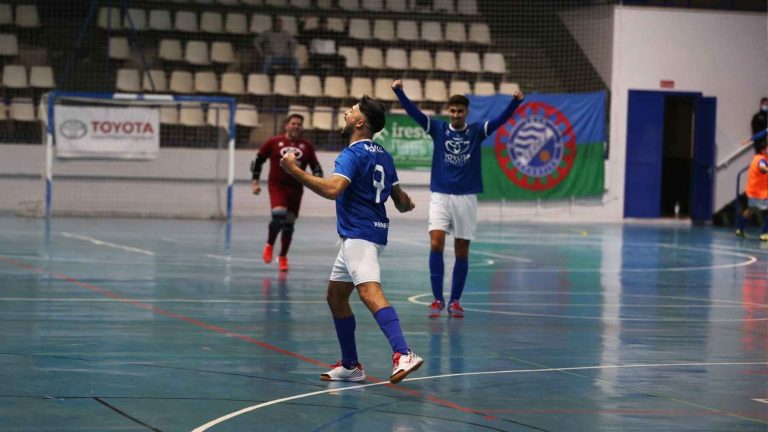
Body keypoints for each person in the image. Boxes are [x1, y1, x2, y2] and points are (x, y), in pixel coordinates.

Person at [279, 95, 424, 384]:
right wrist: (409, 204)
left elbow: (333, 189)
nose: (346, 112)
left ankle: (403, 353)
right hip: (365, 233)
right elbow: (400, 199)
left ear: (359, 122)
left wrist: (294, 170)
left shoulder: (352, 154)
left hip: (360, 233)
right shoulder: (382, 154)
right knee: (336, 296)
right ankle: (350, 365)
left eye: (352, 110)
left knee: (369, 292)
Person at [392, 79, 524, 318]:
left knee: (461, 251)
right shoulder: (438, 129)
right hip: (440, 195)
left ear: (466, 112)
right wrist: (399, 93)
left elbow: (501, 121)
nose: (455, 114)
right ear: (448, 111)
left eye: (459, 111)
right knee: (435, 244)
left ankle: (454, 301)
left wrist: (515, 103)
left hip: (466, 199)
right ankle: (436, 299)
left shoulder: (476, 132)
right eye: (452, 110)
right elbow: (415, 114)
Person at [251, 114, 322, 271]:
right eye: (293, 123)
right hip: (277, 186)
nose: (296, 126)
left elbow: (316, 166)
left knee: (289, 224)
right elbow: (258, 160)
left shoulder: (306, 146)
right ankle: (269, 244)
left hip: (296, 188)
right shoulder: (274, 142)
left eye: (299, 124)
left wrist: (318, 181)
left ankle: (283, 256)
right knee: (278, 216)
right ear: (286, 125)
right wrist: (255, 182)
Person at [735, 133, 768, 241]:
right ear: (763, 150)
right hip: (760, 193)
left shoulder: (756, 158)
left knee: (750, 210)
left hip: (752, 192)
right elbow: (762, 168)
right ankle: (765, 233)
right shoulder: (762, 160)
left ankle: (739, 229)